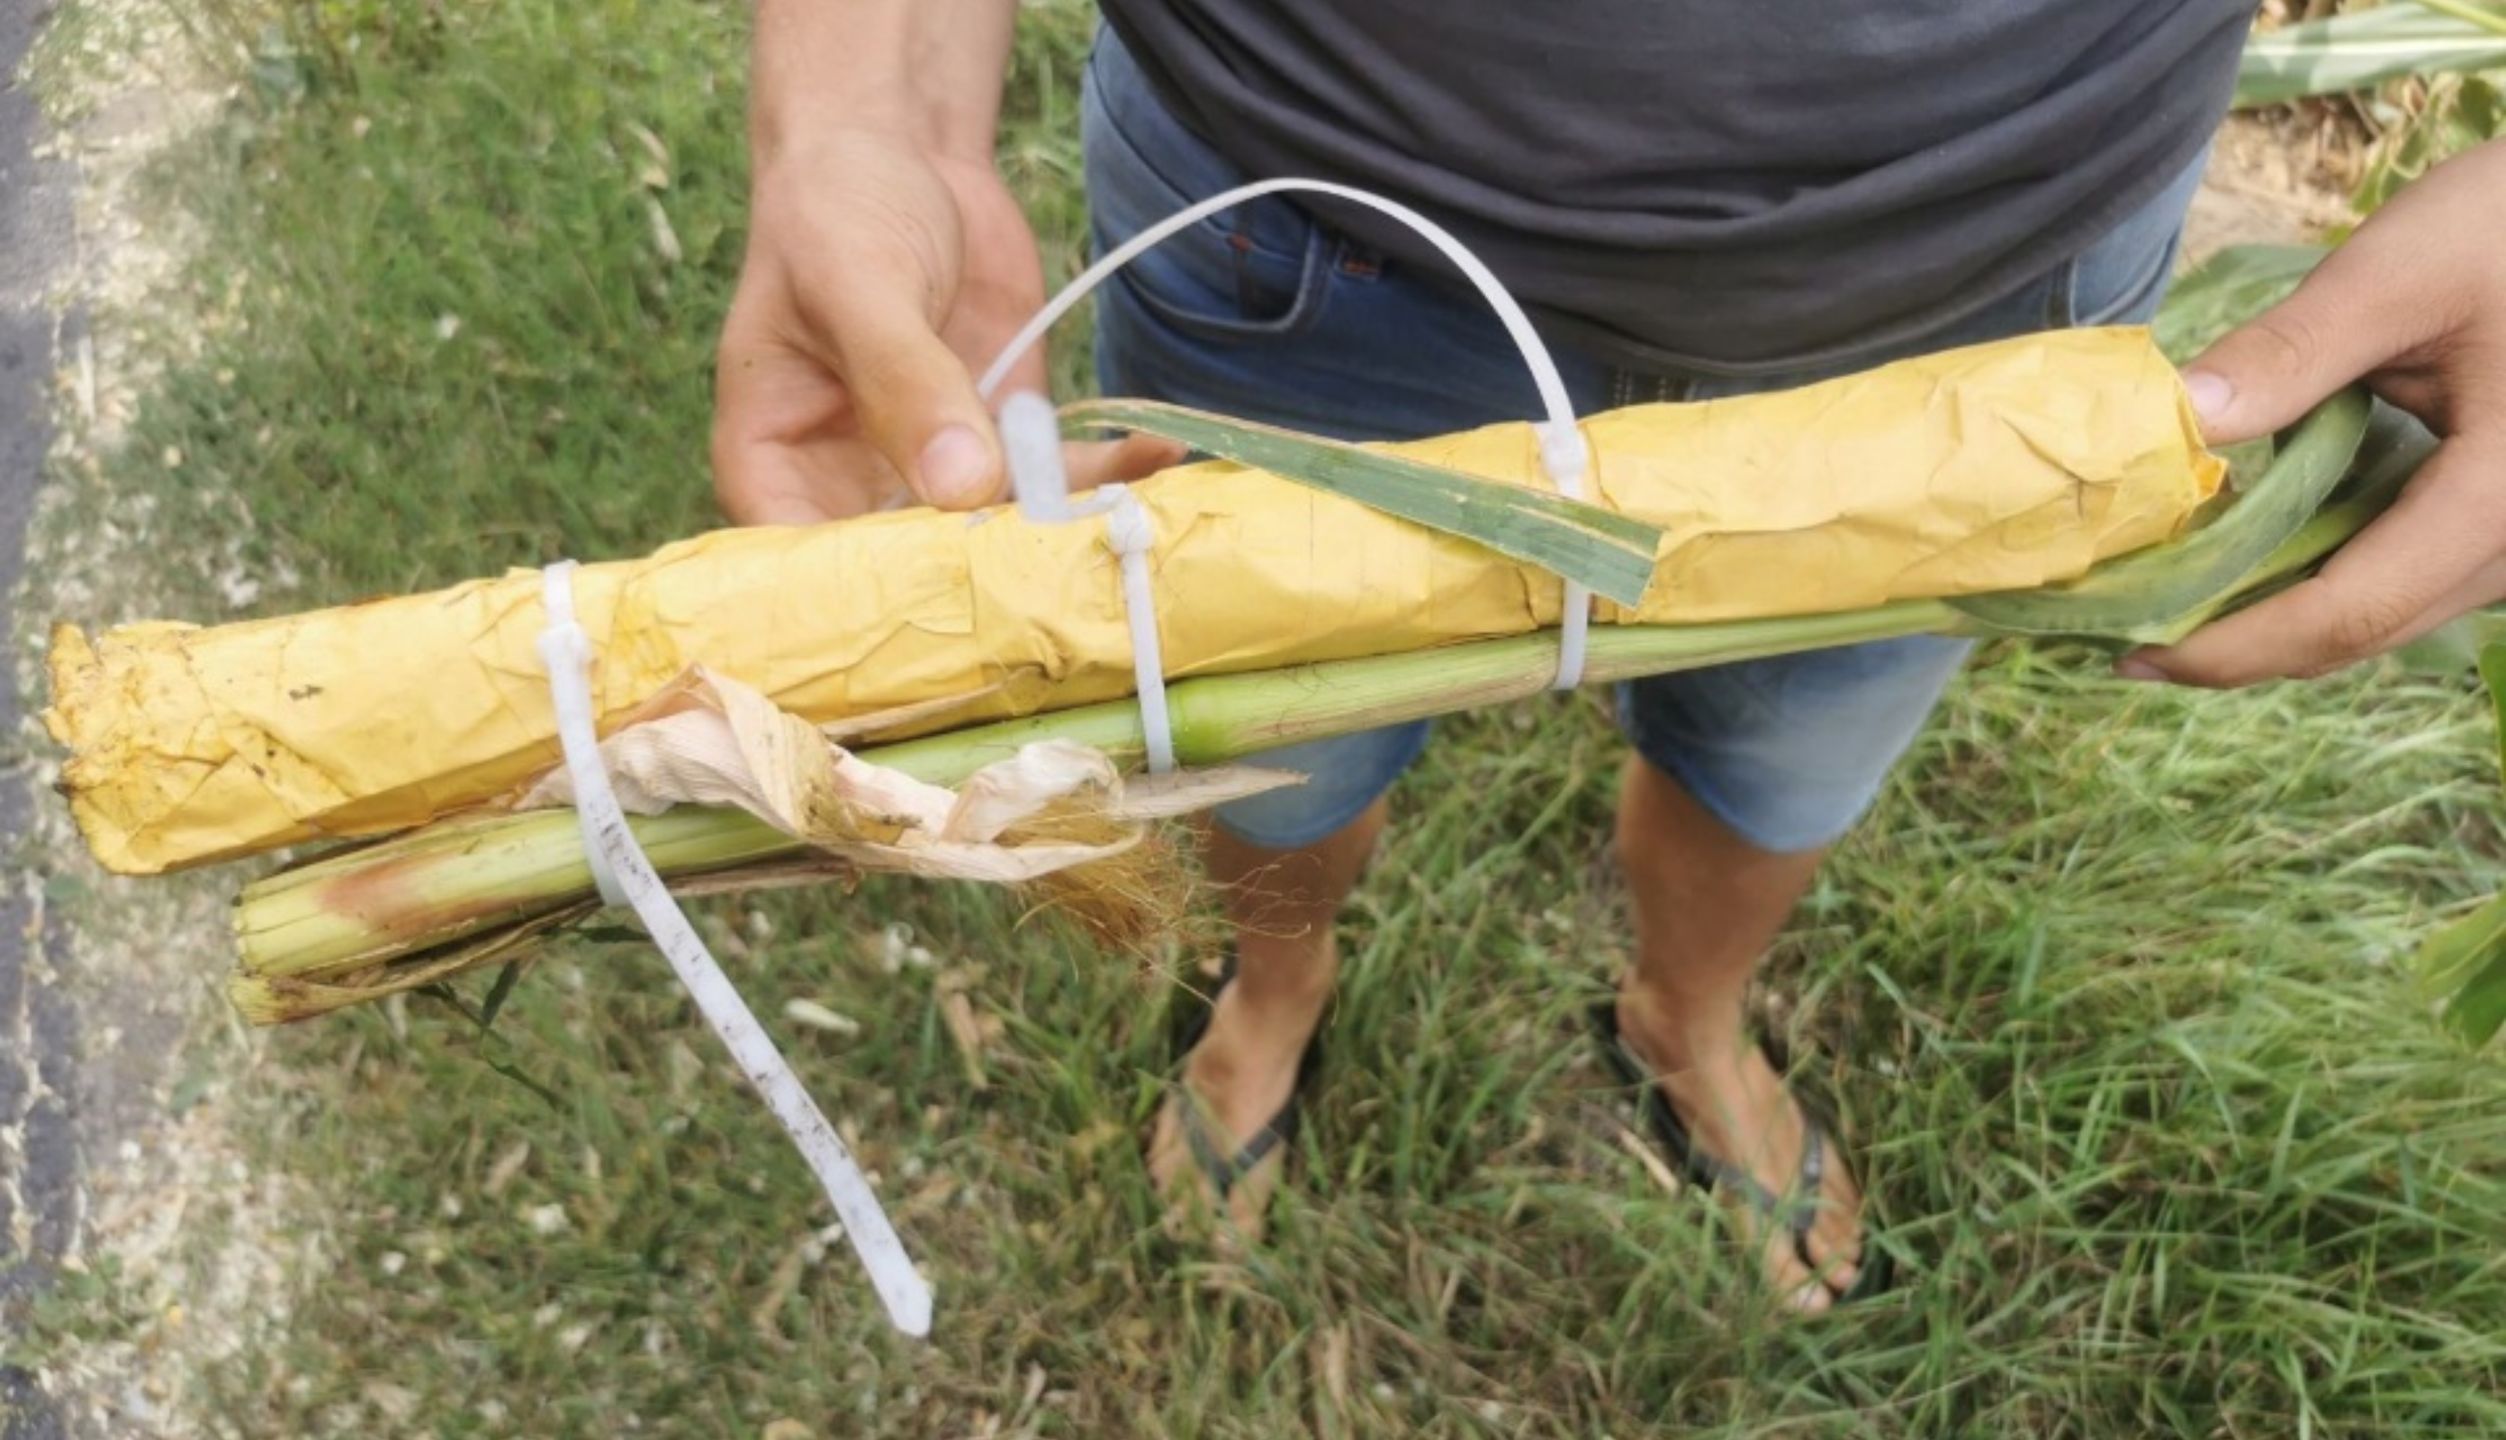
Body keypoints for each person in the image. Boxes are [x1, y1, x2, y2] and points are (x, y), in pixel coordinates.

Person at [711, 1, 2506, 1314]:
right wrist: (873, 109)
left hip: (1984, 289)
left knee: (1786, 758)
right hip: (1304, 245)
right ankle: (1271, 998)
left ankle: (1685, 1018)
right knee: (1276, 759)